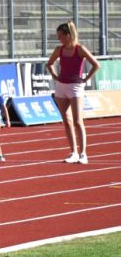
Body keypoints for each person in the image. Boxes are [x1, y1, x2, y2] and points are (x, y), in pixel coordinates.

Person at [46, 21, 100, 164]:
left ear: (69, 35)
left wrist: (86, 79)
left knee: (77, 121)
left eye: (61, 36)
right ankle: (73, 152)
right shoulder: (59, 49)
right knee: (66, 121)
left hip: (75, 86)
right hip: (61, 87)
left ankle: (83, 153)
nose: (59, 39)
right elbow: (49, 64)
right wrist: (55, 76)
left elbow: (96, 64)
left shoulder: (79, 49)